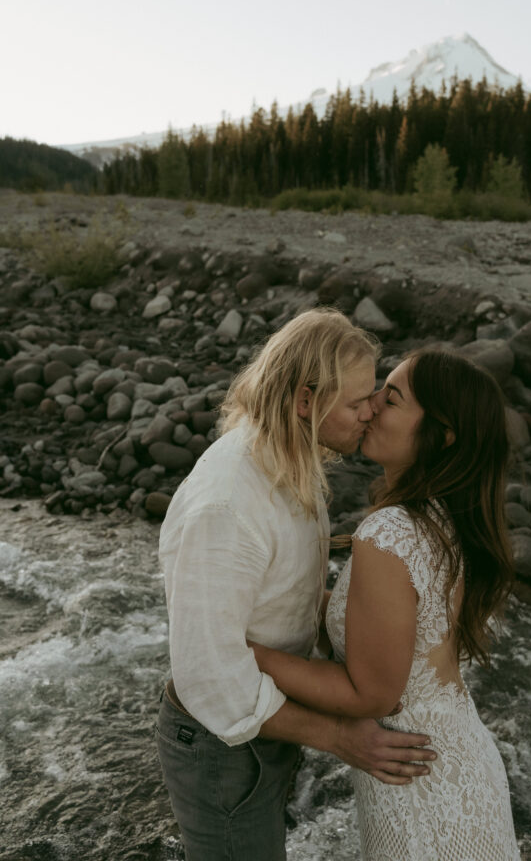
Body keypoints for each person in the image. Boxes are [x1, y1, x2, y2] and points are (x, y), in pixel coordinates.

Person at [155, 309, 436, 861]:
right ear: (306, 401)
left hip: (266, 721)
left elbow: (281, 594)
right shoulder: (228, 506)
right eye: (357, 402)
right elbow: (208, 675)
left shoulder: (289, 457)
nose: (369, 413)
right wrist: (339, 736)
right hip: (220, 742)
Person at [250, 347, 522, 860]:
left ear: (442, 436)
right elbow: (394, 629)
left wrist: (247, 652)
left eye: (391, 398)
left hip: (421, 787)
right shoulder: (443, 518)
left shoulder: (391, 532)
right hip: (452, 763)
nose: (370, 405)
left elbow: (371, 695)